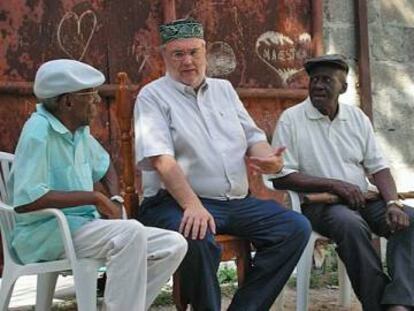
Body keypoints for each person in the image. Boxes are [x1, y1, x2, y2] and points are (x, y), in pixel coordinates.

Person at [134, 18, 311, 311]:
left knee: (294, 227)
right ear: (164, 56)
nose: (187, 60)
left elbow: (253, 137)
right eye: (178, 54)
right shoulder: (152, 96)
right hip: (174, 202)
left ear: (205, 52)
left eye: (194, 52)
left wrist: (269, 160)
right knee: (197, 236)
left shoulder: (224, 90)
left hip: (235, 203)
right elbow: (161, 160)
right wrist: (192, 204)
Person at [7, 59, 187, 311]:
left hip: (82, 227)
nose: (97, 101)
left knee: (173, 244)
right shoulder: (38, 131)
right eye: (90, 95)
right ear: (67, 101)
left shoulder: (78, 130)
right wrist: (94, 198)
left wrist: (114, 199)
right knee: (131, 233)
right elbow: (27, 201)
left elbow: (105, 166)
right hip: (46, 233)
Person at [271, 54, 414, 311]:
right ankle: (379, 306)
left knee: (409, 220)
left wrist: (392, 203)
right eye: (314, 80)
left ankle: (399, 301)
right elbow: (281, 177)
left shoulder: (356, 118)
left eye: (327, 80)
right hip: (320, 205)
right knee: (351, 225)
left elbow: (378, 167)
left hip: (363, 198)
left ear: (343, 87)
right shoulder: (291, 119)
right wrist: (335, 185)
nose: (318, 86)